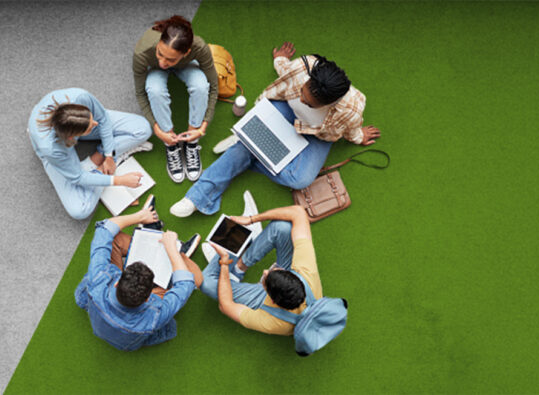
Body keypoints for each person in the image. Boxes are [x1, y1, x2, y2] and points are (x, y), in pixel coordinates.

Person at [169, 42, 382, 217]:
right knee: (250, 148)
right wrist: (279, 59)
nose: (301, 98)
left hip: (317, 134)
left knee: (299, 180)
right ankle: (197, 197)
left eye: (308, 103)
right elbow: (285, 71)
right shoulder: (304, 67)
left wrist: (358, 136)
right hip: (282, 110)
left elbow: (351, 128)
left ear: (329, 103)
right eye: (302, 92)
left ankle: (247, 146)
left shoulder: (351, 109)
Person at [74, 201, 204, 351]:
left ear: (117, 283)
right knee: (196, 277)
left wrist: (140, 216)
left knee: (113, 240)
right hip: (132, 340)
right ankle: (176, 252)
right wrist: (172, 249)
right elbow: (187, 284)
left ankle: (151, 237)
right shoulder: (154, 317)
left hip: (97, 309)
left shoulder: (99, 278)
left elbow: (105, 229)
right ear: (149, 297)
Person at [28, 88, 153, 220]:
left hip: (72, 130)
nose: (96, 124)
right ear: (73, 137)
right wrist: (119, 180)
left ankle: (98, 158)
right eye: (90, 127)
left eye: (91, 119)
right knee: (80, 211)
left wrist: (109, 155)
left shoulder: (81, 97)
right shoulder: (51, 149)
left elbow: (103, 119)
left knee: (143, 129)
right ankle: (100, 168)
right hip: (57, 148)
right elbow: (77, 177)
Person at [198, 205, 322, 337]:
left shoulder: (272, 322)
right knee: (282, 227)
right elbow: (298, 212)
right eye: (275, 270)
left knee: (206, 283)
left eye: (265, 281)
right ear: (295, 275)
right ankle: (239, 269)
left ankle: (235, 246)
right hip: (290, 292)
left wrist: (224, 261)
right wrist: (251, 219)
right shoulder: (306, 269)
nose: (265, 271)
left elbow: (226, 306)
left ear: (271, 300)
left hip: (274, 307)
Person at [132, 15, 219, 184]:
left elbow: (213, 87)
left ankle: (191, 140)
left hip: (186, 66)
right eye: (160, 53)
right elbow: (140, 93)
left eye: (170, 59)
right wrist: (158, 130)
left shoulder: (199, 47)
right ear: (157, 45)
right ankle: (170, 143)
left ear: (186, 52)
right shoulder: (143, 53)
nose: (164, 62)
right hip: (154, 70)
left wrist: (201, 129)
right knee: (154, 89)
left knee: (201, 86)